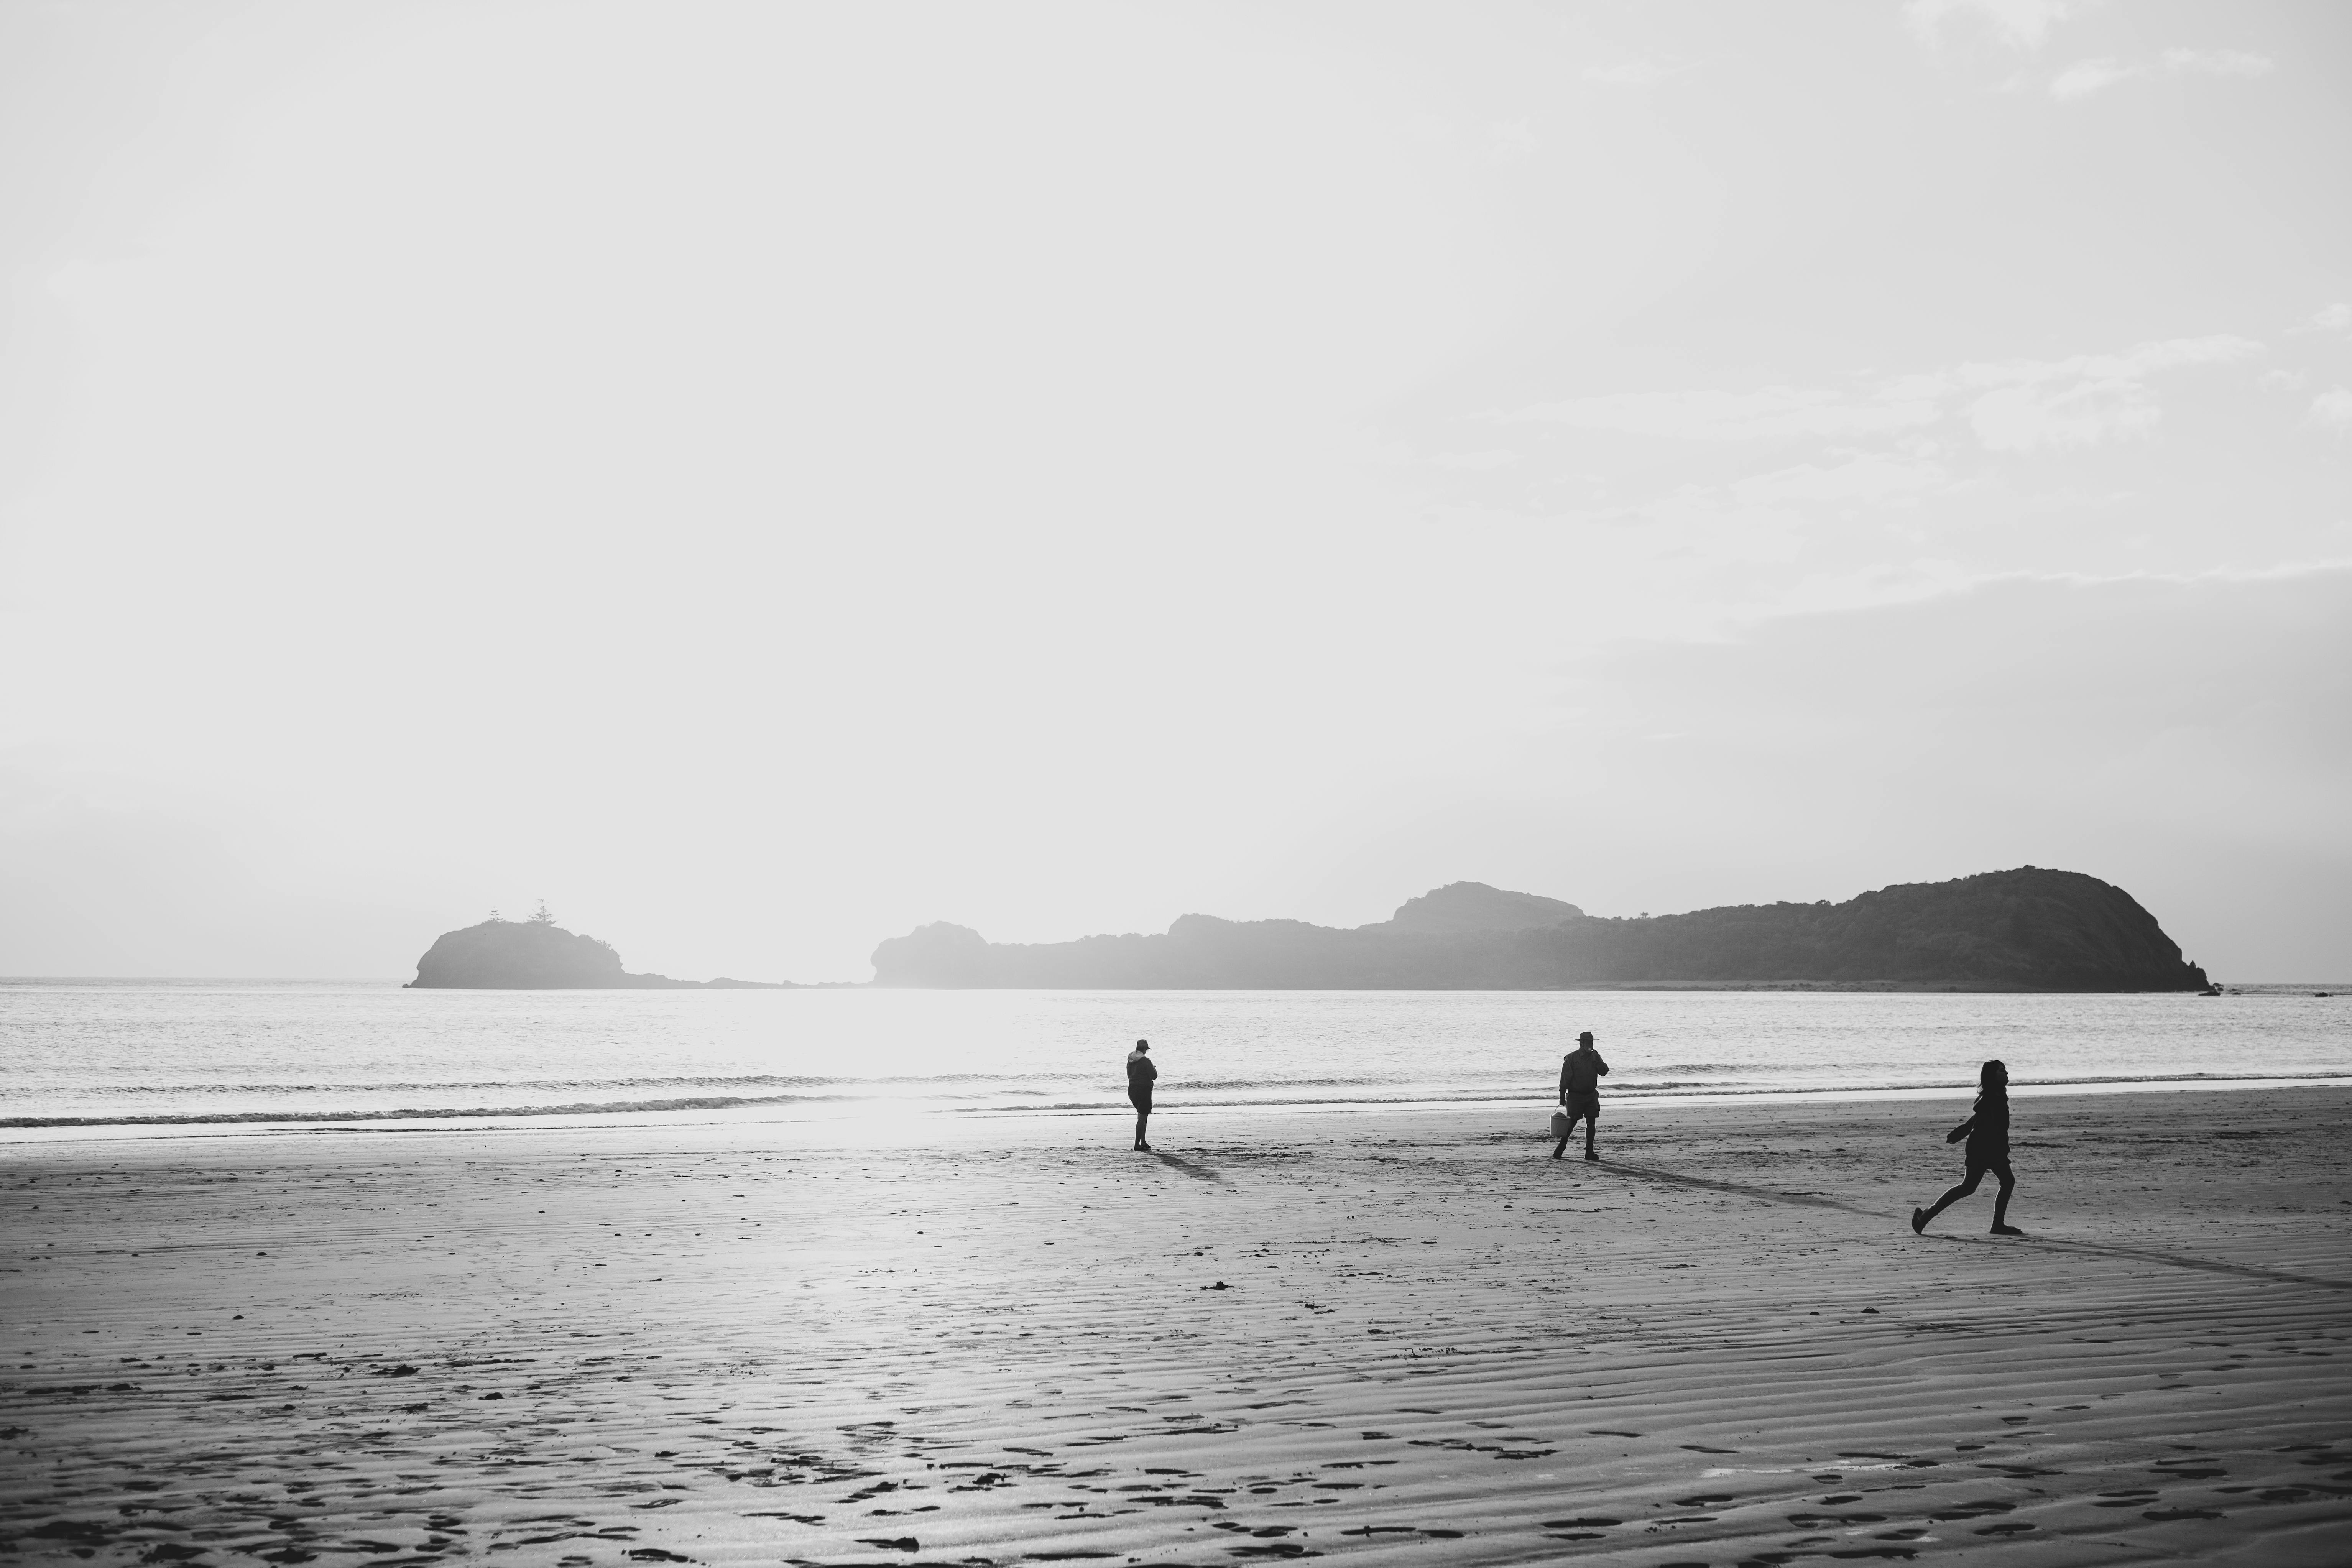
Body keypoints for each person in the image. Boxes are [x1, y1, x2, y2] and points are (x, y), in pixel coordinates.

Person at [1912, 1059, 2025, 1236]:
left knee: (1975, 1186)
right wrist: (1966, 1132)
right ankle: (1926, 1217)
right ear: (1992, 1076)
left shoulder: (1995, 1094)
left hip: (1986, 1148)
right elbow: (1982, 1118)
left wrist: (1963, 1132)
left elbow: (1978, 1118)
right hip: (1986, 1148)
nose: (2007, 1073)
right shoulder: (1992, 1096)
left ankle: (1925, 1217)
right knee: (1974, 1186)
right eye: (2002, 1071)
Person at [1553, 1031, 1608, 1161]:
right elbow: (1565, 1078)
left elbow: (1604, 1072)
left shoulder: (1595, 1057)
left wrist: (1598, 1061)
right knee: (1572, 1123)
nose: (1591, 1045)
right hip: (1575, 1096)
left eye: (1592, 1042)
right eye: (1588, 1042)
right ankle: (1561, 1147)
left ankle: (1589, 1152)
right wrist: (1562, 1096)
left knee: (1591, 1122)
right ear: (1582, 1044)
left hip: (1591, 1095)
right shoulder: (1572, 1058)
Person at [1126, 1039, 1157, 1152]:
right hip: (1144, 1090)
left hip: (1132, 1090)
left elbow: (1129, 1076)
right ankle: (1137, 1144)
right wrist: (1154, 1069)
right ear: (1144, 1049)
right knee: (1143, 1116)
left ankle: (1143, 1141)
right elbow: (1154, 1076)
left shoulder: (1130, 1060)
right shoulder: (1145, 1061)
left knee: (1142, 1115)